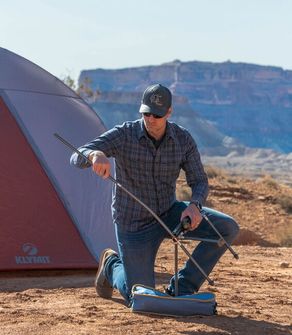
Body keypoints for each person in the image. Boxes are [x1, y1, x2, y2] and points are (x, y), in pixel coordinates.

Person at [70, 83, 239, 305]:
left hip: (170, 214)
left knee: (227, 228)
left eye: (157, 115)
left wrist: (195, 205)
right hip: (133, 223)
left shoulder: (183, 139)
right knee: (139, 297)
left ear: (169, 112)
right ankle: (112, 265)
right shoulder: (124, 134)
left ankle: (182, 287)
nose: (150, 119)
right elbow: (77, 156)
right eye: (146, 113)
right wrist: (94, 154)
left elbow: (199, 181)